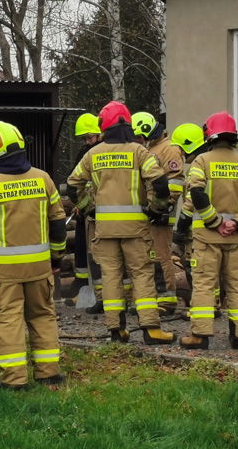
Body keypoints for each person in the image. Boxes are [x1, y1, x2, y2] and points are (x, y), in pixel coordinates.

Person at [0, 121, 67, 389]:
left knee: (8, 322)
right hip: (39, 269)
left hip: (3, 274)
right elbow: (58, 223)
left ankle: (14, 380)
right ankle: (49, 373)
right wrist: (57, 258)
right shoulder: (43, 179)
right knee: (42, 316)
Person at [67, 101, 175, 345]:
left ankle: (116, 330)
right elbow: (160, 183)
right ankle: (151, 329)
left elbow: (73, 185)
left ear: (103, 127)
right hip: (135, 229)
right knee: (142, 274)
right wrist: (156, 209)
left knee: (111, 277)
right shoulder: (139, 152)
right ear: (127, 123)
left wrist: (89, 208)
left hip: (105, 229)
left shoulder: (92, 154)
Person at [175, 111, 238, 350]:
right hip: (237, 237)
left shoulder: (201, 161)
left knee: (205, 284)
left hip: (207, 238)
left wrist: (215, 222)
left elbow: (196, 192)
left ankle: (200, 335)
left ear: (209, 135)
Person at [132, 111, 185, 316]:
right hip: (150, 211)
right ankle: (153, 297)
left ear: (147, 132)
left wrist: (163, 206)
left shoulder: (168, 149)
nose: (137, 141)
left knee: (161, 256)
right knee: (149, 256)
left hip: (161, 213)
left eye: (139, 137)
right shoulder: (151, 149)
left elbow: (175, 182)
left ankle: (167, 300)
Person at [168, 123, 208, 312]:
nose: (182, 155)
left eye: (182, 149)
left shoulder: (197, 166)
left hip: (198, 230)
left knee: (197, 270)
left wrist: (180, 229)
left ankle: (201, 307)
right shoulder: (210, 161)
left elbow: (191, 202)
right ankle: (214, 305)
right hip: (217, 226)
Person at [68, 113, 102, 309]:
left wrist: (85, 206)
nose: (87, 142)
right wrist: (80, 205)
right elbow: (75, 181)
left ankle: (101, 294)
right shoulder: (84, 153)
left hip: (98, 212)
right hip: (86, 210)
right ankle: (81, 284)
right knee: (82, 249)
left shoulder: (101, 153)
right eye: (84, 139)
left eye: (89, 138)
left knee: (97, 254)